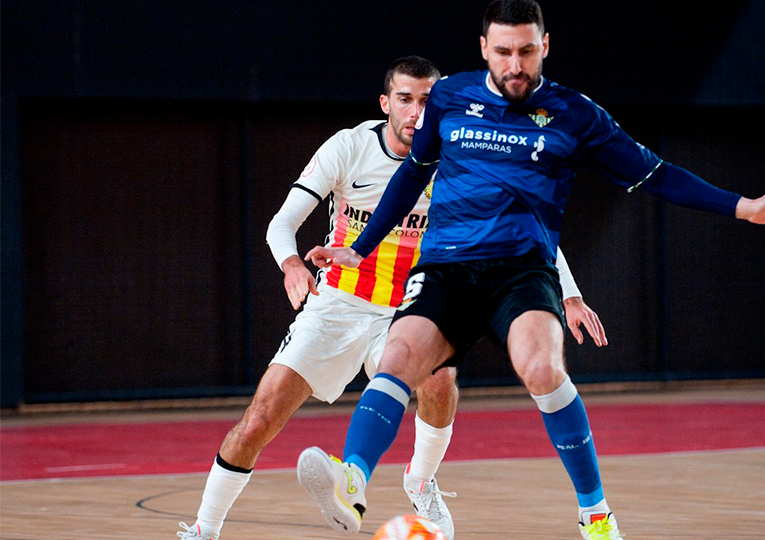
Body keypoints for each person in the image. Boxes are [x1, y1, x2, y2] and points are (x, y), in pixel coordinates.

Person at [295, 2, 765, 539]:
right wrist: (362, 247)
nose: (514, 64)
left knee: (542, 367)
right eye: (503, 52)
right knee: (399, 356)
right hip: (447, 268)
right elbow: (413, 173)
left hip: (521, 271)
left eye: (526, 51)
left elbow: (655, 175)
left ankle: (595, 513)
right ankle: (352, 480)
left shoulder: (575, 114)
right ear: (484, 49)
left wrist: (745, 207)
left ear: (544, 45)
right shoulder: (449, 97)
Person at [176, 55, 607, 540]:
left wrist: (569, 295)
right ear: (386, 103)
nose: (417, 112)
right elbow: (282, 223)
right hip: (339, 303)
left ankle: (420, 480)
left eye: (428, 101)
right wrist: (292, 265)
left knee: (440, 380)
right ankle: (204, 529)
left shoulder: (464, 156)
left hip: (412, 308)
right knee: (259, 419)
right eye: (405, 99)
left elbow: (524, 229)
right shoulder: (349, 147)